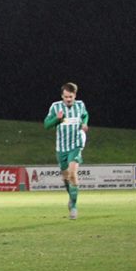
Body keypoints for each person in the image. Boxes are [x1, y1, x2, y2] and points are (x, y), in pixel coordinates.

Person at [43, 82, 89, 220]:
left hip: (76, 145)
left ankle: (73, 206)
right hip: (61, 148)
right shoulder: (55, 107)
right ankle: (71, 196)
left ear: (75, 95)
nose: (68, 99)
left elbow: (85, 115)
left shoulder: (80, 105)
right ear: (62, 96)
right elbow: (46, 125)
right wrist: (56, 119)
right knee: (65, 177)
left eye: (71, 96)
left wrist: (85, 123)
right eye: (66, 97)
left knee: (73, 174)